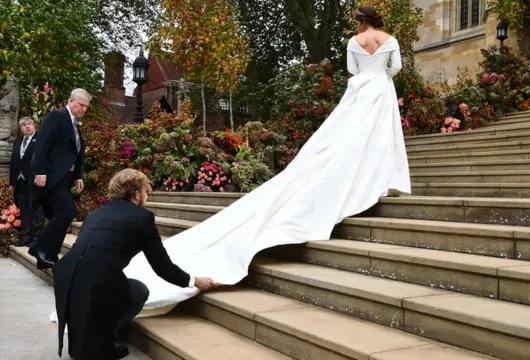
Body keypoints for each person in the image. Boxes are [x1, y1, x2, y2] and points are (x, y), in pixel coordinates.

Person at [112, 6, 409, 317]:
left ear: (361, 20)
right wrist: (380, 76)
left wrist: (367, 75)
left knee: (345, 137)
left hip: (359, 90)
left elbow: (352, 71)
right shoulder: (390, 40)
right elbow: (395, 69)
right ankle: (376, 179)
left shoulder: (354, 41)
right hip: (380, 89)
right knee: (376, 137)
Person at [52, 169, 216, 360]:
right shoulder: (142, 217)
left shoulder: (97, 214)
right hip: (96, 282)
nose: (147, 196)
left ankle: (92, 339)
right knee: (139, 291)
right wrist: (194, 281)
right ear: (137, 194)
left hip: (67, 277)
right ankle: (104, 344)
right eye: (146, 192)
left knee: (107, 282)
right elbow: (162, 265)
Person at [29, 89, 88, 269]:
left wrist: (78, 176)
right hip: (51, 176)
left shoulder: (75, 124)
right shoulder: (57, 116)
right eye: (81, 105)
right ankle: (39, 247)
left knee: (60, 214)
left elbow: (76, 153)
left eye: (86, 106)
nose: (83, 109)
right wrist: (40, 172)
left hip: (65, 178)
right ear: (70, 100)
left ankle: (47, 256)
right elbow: (42, 144)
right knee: (67, 211)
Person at [9, 117, 42, 246]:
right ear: (21, 128)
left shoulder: (39, 140)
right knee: (23, 209)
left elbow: (42, 160)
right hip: (20, 180)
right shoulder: (18, 142)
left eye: (29, 124)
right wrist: (12, 181)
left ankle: (36, 238)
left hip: (34, 179)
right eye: (24, 125)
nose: (27, 126)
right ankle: (25, 236)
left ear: (34, 126)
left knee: (35, 208)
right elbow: (14, 161)